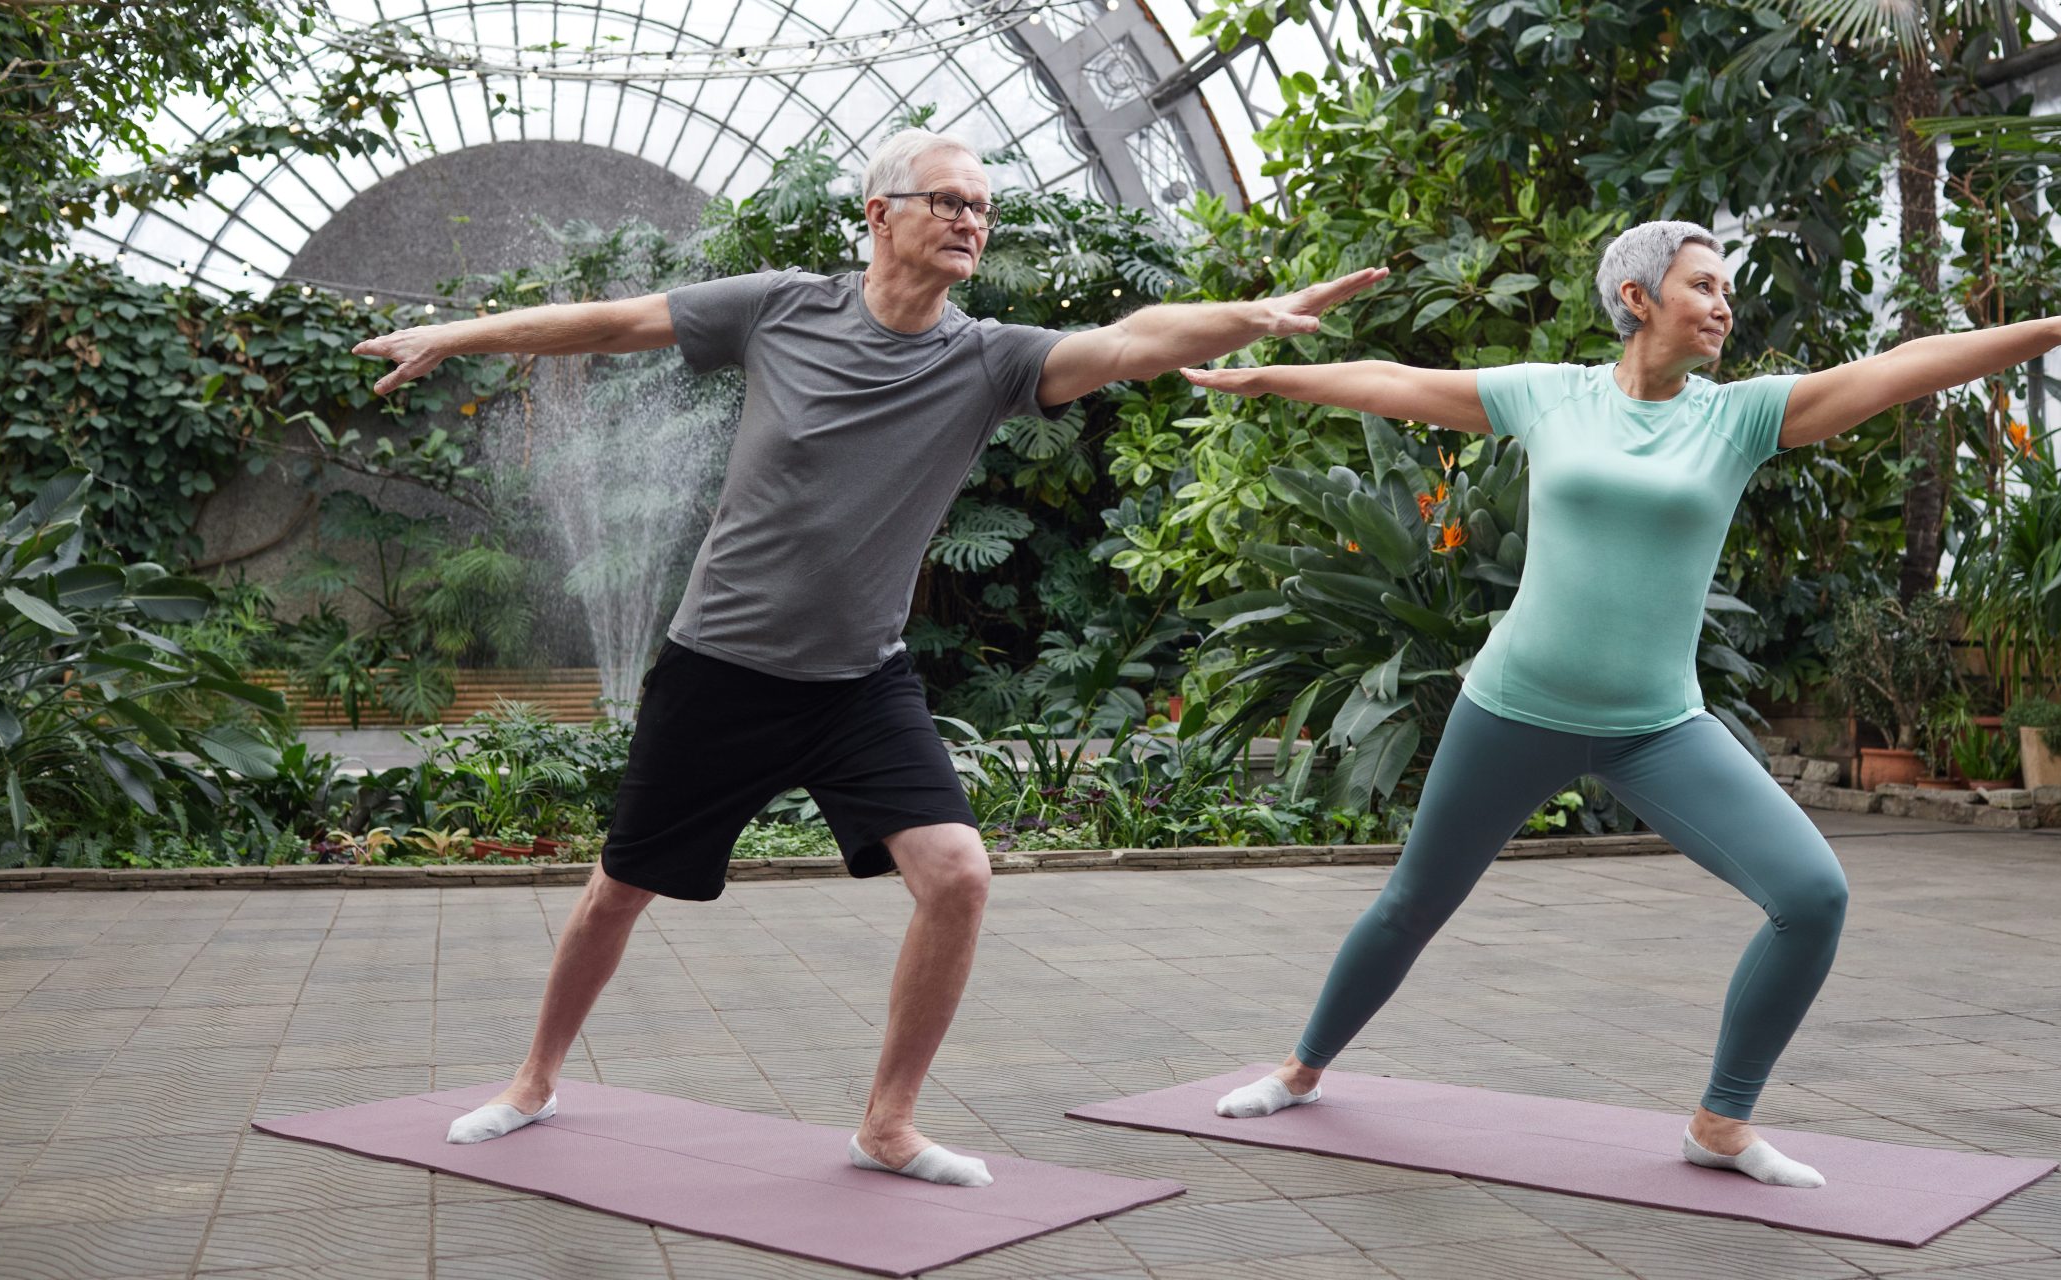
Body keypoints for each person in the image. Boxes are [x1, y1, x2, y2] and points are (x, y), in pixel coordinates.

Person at [352, 128, 1386, 1187]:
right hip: (721, 666)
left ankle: (887, 1122)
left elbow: (1128, 339)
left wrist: (1254, 316)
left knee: (958, 875)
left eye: (982, 209)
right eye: (946, 200)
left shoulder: (988, 359)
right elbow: (618, 322)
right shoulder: (783, 307)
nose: (969, 221)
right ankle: (532, 1080)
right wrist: (463, 336)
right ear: (879, 212)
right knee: (619, 886)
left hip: (859, 679)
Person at [1183, 219, 2061, 1188]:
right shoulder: (1551, 396)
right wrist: (1268, 370)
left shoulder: (1740, 415)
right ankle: (1301, 1067)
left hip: (1655, 726)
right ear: (1637, 297)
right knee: (1412, 902)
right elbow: (1397, 383)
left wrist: (2047, 330)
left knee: (1811, 894)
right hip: (1512, 707)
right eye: (1703, 286)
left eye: (1726, 289)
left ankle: (1721, 1120)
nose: (1723, 306)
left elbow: (1901, 367)